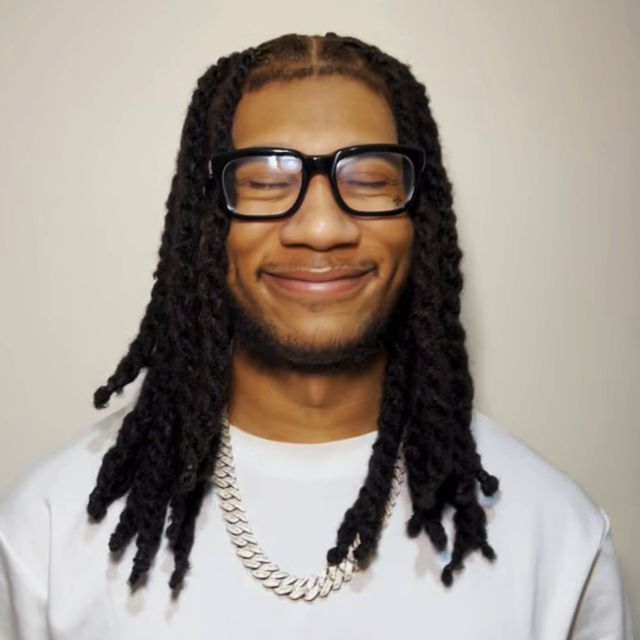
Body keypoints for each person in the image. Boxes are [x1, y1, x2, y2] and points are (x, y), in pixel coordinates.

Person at [0, 33, 633, 639]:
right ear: (204, 218)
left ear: (421, 216)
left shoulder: (557, 535)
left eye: (370, 179)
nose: (323, 229)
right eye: (266, 181)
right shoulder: (48, 532)